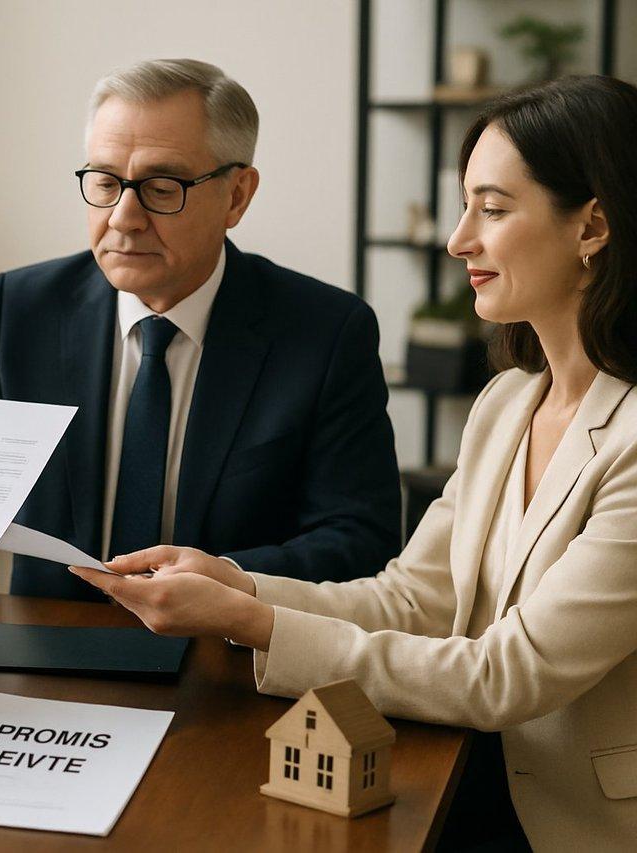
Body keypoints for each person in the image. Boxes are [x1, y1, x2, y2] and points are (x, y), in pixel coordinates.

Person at [71, 75, 637, 848]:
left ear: (593, 226)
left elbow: (511, 674)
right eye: (465, 204)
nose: (458, 238)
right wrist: (237, 582)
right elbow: (414, 599)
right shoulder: (508, 403)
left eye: (494, 209)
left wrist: (255, 621)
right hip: (461, 780)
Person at [0, 59, 400, 600]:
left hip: (229, 656)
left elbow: (361, 539)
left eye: (161, 188)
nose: (123, 216)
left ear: (236, 195)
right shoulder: (22, 311)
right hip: (46, 645)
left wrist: (231, 580)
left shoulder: (326, 332)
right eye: (104, 181)